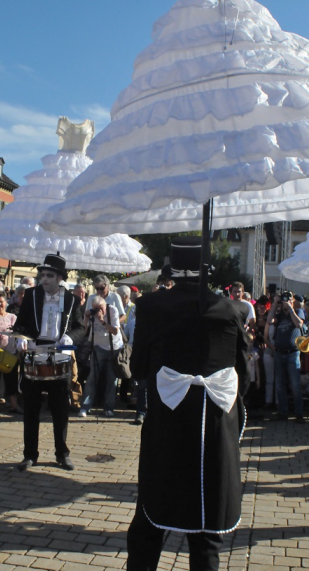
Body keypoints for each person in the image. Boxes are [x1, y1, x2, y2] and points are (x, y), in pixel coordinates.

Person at [127, 237, 250, 571]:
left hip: (168, 426)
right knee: (207, 534)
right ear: (206, 270)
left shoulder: (151, 306)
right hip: (216, 429)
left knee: (149, 525)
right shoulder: (229, 309)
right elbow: (245, 375)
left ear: (172, 270)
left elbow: (137, 368)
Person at [14, 253, 85, 472]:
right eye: (42, 275)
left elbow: (81, 327)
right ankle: (29, 455)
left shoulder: (72, 300)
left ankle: (62, 454)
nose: (44, 279)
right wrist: (21, 340)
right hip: (34, 352)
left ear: (60, 278)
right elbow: (20, 325)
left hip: (60, 352)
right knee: (31, 408)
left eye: (50, 275)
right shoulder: (32, 295)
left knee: (60, 408)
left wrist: (69, 338)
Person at [78, 295, 123, 419]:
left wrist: (102, 320)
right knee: (92, 378)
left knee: (111, 379)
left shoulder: (112, 310)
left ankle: (109, 408)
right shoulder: (92, 314)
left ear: (105, 305)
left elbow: (115, 331)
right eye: (95, 308)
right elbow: (83, 330)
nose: (98, 311)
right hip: (98, 347)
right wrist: (86, 317)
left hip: (113, 348)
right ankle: (85, 408)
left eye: (100, 308)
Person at [267, 292, 305, 423]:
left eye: (288, 300)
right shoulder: (279, 314)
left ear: (293, 300)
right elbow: (270, 321)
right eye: (284, 300)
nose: (285, 302)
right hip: (279, 353)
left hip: (293, 353)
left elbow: (298, 324)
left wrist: (291, 309)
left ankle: (299, 414)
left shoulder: (298, 311)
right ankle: (283, 412)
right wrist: (274, 304)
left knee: (295, 385)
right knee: (279, 385)